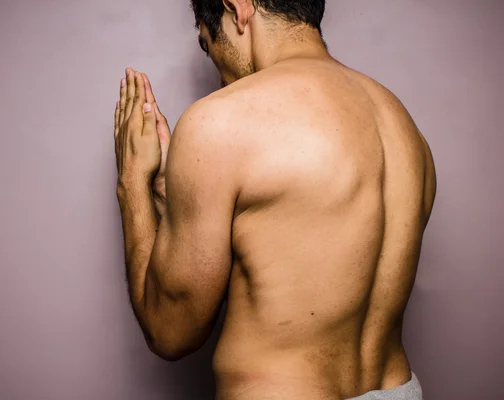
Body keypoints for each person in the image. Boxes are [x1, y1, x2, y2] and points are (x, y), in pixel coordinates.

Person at [113, 0, 436, 398]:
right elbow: (286, 261)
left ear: (238, 8)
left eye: (205, 42)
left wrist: (131, 182)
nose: (216, 68)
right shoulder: (403, 128)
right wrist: (167, 191)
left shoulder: (221, 121)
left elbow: (170, 331)